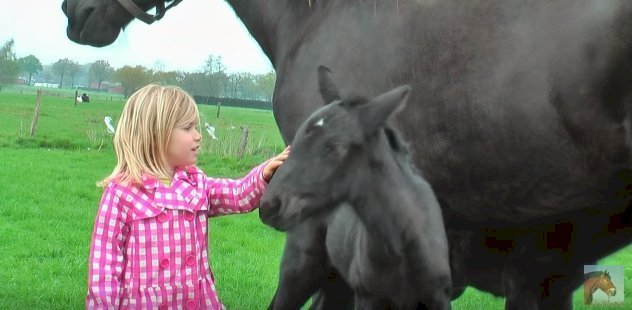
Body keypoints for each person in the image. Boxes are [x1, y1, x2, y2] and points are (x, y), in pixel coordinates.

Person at [86, 84, 290, 309]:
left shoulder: (196, 184)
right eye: (188, 128)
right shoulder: (121, 194)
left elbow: (237, 194)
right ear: (156, 133)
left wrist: (264, 173)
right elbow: (104, 270)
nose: (198, 136)